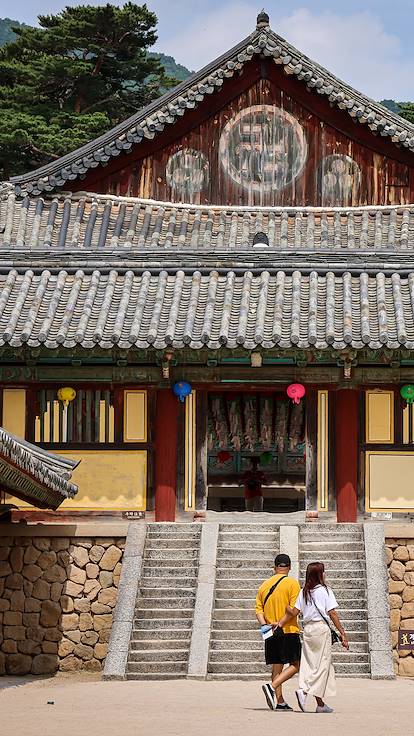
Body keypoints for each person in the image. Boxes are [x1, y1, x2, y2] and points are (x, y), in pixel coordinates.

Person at [276, 561, 349, 714]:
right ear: (319, 574)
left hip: (308, 630)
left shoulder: (304, 592)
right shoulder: (325, 590)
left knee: (310, 665)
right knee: (322, 666)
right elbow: (332, 613)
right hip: (321, 630)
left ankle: (320, 704)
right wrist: (342, 632)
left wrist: (285, 609)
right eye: (323, 571)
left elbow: (294, 612)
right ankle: (304, 690)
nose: (325, 574)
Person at [255, 553, 301, 711]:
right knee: (296, 664)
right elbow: (293, 610)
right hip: (287, 629)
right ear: (289, 567)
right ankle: (272, 686)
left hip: (269, 630)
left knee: (277, 667)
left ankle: (280, 701)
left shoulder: (264, 585)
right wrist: (280, 623)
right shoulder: (292, 584)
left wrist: (265, 625)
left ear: (275, 567)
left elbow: (258, 610)